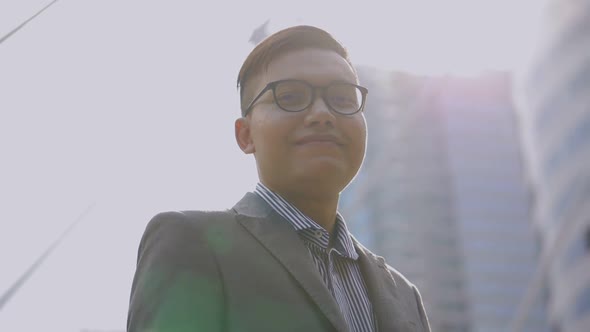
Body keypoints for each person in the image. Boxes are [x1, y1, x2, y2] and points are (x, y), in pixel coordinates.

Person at [127, 25, 430, 332]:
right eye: (290, 96)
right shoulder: (191, 243)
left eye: (342, 98)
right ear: (245, 135)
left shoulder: (404, 294)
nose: (322, 114)